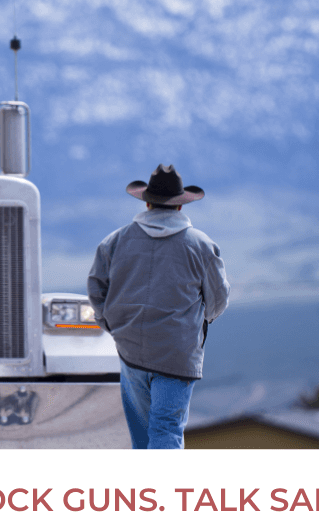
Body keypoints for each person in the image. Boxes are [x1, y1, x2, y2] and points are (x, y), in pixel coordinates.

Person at [87, 164, 230, 449]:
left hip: (130, 351)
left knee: (141, 436)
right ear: (179, 207)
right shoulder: (201, 245)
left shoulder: (114, 241)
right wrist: (200, 323)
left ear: (147, 202)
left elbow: (96, 290)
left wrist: (112, 325)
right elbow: (218, 298)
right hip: (177, 354)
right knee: (165, 430)